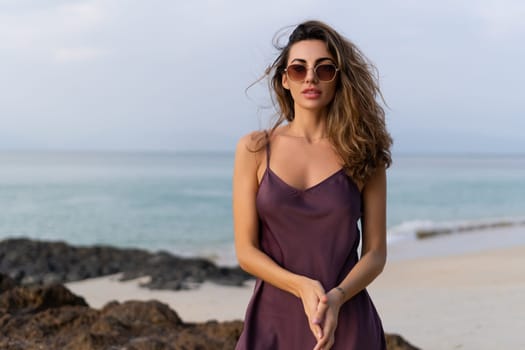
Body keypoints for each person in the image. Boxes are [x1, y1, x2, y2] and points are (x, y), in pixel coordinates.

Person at [233, 20, 392, 350]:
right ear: (284, 80)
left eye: (324, 69)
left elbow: (375, 253)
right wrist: (301, 286)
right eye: (298, 68)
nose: (310, 78)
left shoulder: (364, 152)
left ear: (338, 79)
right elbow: (246, 252)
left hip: (347, 319)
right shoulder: (254, 148)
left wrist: (336, 297)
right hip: (272, 321)